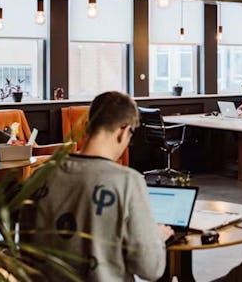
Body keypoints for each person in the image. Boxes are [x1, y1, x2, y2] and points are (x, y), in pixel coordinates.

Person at [32, 91, 173, 281]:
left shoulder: (42, 174)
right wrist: (156, 237)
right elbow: (150, 269)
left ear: (89, 126)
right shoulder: (127, 182)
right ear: (123, 131)